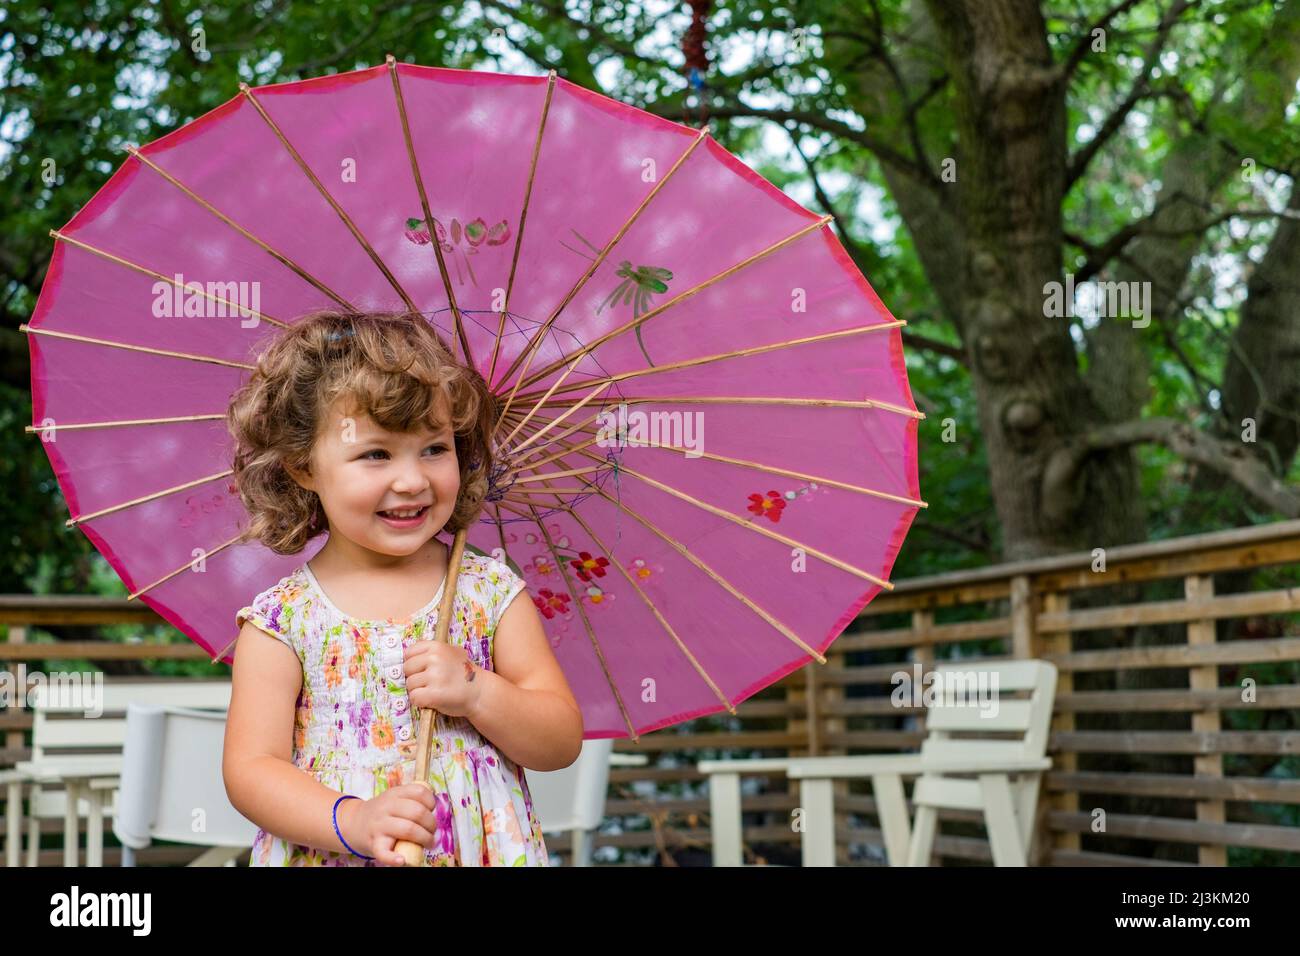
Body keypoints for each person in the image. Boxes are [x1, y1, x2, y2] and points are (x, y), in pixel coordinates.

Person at [221, 309, 583, 866]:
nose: (413, 480)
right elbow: (251, 771)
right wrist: (352, 820)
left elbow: (559, 739)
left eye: (435, 449)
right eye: (376, 453)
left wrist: (477, 692)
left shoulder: (486, 591)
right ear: (302, 466)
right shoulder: (284, 621)